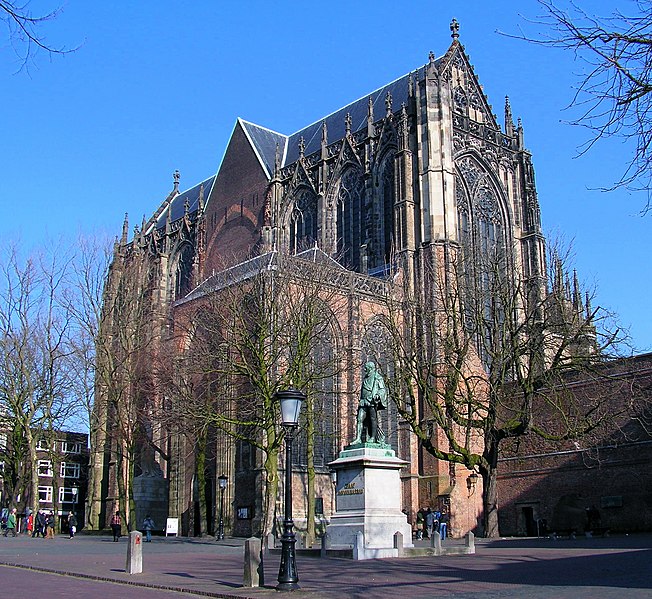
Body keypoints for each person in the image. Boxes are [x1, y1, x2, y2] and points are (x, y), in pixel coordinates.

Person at [351, 361, 388, 445]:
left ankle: (373, 437)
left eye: (366, 368)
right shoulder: (366, 378)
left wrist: (378, 395)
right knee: (359, 419)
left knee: (373, 419)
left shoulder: (377, 377)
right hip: (363, 401)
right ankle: (358, 438)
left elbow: (382, 389)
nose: (364, 369)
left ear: (370, 368)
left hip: (371, 401)